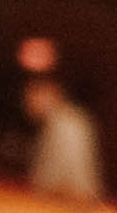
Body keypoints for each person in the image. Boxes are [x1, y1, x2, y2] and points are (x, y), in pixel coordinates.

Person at [21, 71, 104, 201]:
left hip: (68, 203)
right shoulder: (63, 120)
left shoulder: (66, 124)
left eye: (33, 94)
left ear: (52, 94)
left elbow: (60, 180)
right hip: (71, 200)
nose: (28, 102)